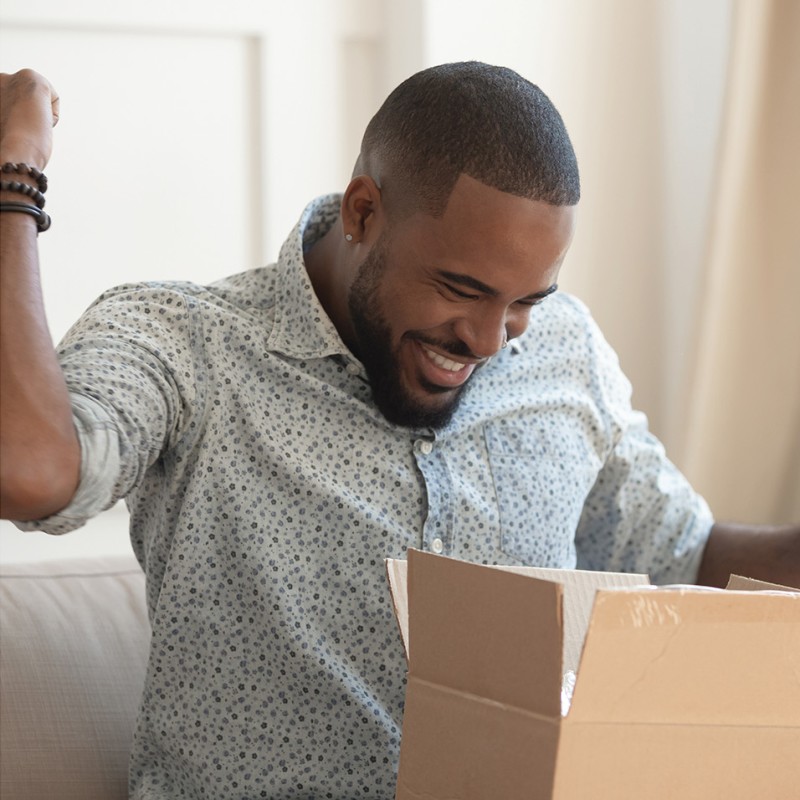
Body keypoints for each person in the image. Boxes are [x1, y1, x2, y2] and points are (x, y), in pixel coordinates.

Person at [1, 62, 797, 799]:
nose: (490, 342)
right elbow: (31, 475)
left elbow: (683, 550)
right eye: (462, 289)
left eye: (526, 301)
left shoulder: (564, 352)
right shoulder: (186, 343)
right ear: (364, 211)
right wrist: (14, 181)